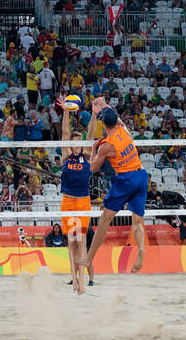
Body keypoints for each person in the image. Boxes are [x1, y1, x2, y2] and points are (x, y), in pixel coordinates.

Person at [78, 99, 147, 273]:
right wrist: (102, 103)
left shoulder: (106, 147)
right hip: (141, 175)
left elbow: (92, 168)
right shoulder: (124, 130)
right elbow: (113, 114)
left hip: (126, 179)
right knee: (137, 221)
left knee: (104, 220)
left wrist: (94, 148)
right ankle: (141, 251)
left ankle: (88, 258)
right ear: (116, 121)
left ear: (103, 124)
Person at [56, 95, 92, 294]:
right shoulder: (66, 155)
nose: (76, 144)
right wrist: (66, 112)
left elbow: (91, 133)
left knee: (82, 241)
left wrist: (94, 116)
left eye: (79, 141)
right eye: (74, 141)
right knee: (71, 242)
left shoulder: (86, 155)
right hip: (68, 201)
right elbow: (64, 132)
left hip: (83, 202)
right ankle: (74, 280)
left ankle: (83, 280)